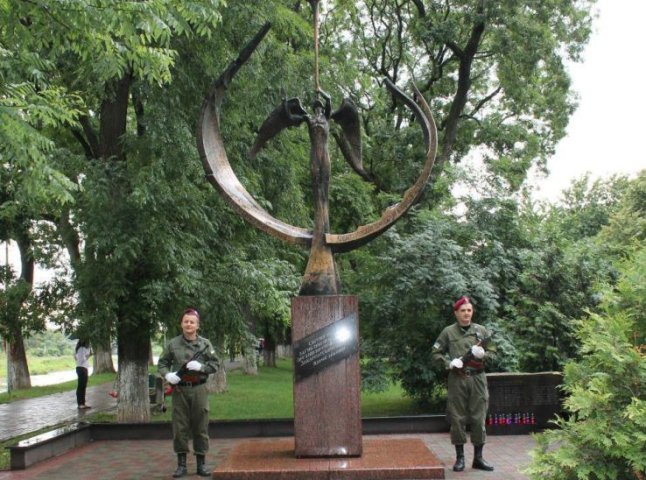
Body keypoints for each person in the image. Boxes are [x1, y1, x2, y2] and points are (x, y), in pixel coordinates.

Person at [432, 295, 495, 472]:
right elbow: (435, 354)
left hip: (478, 379)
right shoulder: (448, 332)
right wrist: (449, 363)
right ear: (456, 313)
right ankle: (460, 458)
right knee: (457, 418)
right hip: (457, 379)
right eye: (463, 311)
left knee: (479, 416)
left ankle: (478, 458)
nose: (466, 314)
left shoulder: (481, 331)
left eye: (469, 310)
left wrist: (484, 355)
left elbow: (493, 352)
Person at [157, 308, 219, 478]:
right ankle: (181, 465)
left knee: (201, 425)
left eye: (192, 322)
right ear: (181, 324)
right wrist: (168, 374)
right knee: (180, 426)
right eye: (186, 321)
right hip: (180, 390)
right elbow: (162, 363)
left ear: (197, 325)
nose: (189, 324)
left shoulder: (205, 344)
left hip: (199, 389)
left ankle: (201, 464)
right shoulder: (173, 344)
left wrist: (202, 367)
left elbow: (215, 364)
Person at [74, 338, 92, 409]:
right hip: (82, 368)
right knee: (81, 386)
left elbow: (75, 358)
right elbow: (81, 360)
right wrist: (88, 356)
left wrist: (88, 355)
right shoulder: (81, 349)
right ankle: (80, 403)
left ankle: (82, 403)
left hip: (81, 368)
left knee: (83, 386)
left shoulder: (79, 349)